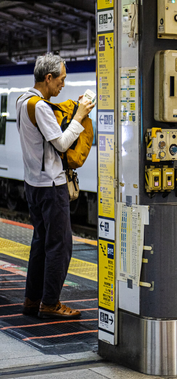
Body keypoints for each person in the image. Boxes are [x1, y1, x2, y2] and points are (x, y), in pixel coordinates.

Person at [16, 53, 95, 319]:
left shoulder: (21, 100)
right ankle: (50, 303)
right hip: (51, 186)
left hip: (32, 185)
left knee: (40, 243)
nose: (62, 85)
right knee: (60, 245)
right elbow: (60, 143)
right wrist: (80, 115)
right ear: (48, 78)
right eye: (60, 80)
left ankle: (32, 300)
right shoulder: (39, 106)